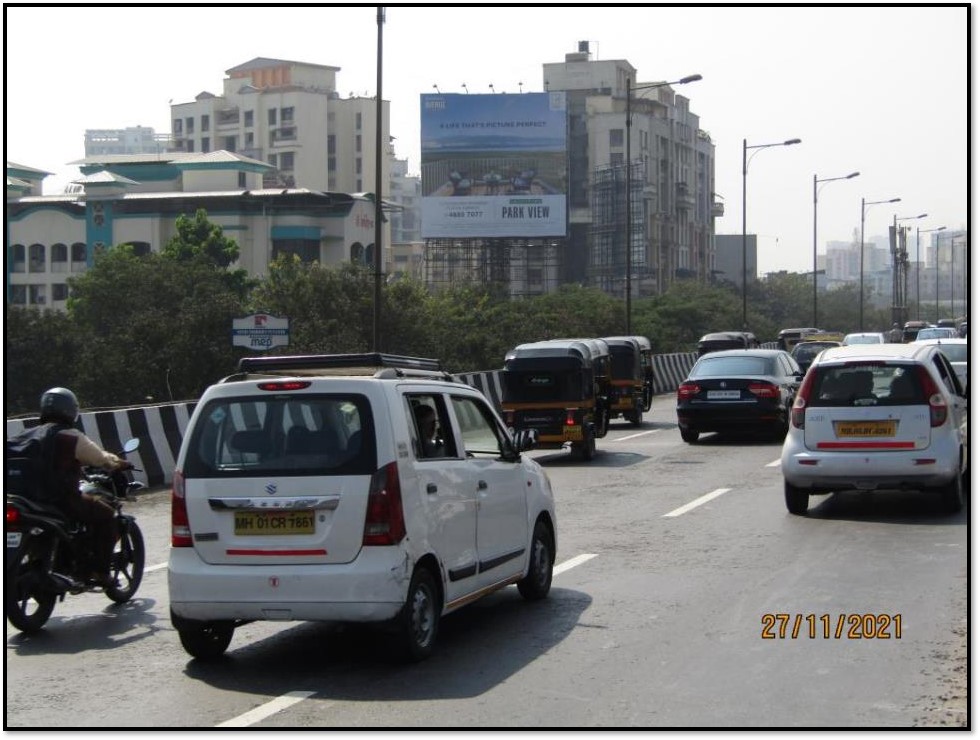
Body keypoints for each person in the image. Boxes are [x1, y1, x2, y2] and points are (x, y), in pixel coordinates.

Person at [39, 387, 130, 587]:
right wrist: (118, 463)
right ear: (70, 410)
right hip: (61, 500)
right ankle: (100, 572)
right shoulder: (70, 437)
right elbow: (99, 458)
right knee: (107, 515)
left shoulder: (26, 436)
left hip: (29, 501)